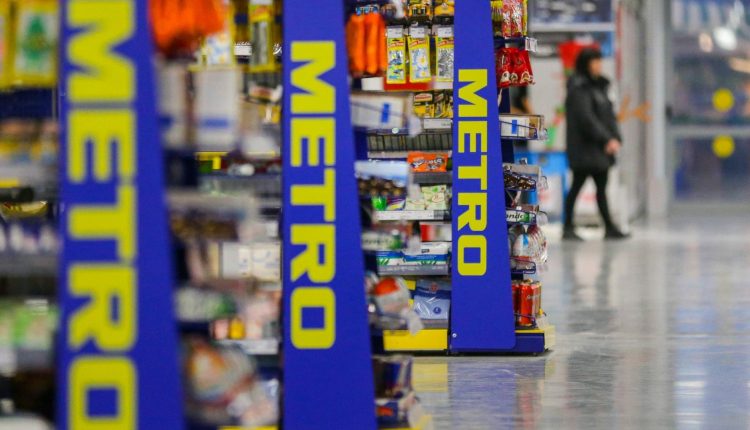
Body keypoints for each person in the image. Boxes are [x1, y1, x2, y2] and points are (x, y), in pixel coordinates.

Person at [563, 47, 629, 240]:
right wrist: (606, 139)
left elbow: (608, 116)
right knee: (577, 186)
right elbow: (587, 119)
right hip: (585, 149)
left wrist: (615, 138)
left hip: (599, 149)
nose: (599, 65)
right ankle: (568, 227)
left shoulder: (600, 87)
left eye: (600, 61)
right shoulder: (579, 88)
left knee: (601, 187)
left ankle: (609, 227)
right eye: (595, 61)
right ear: (586, 64)